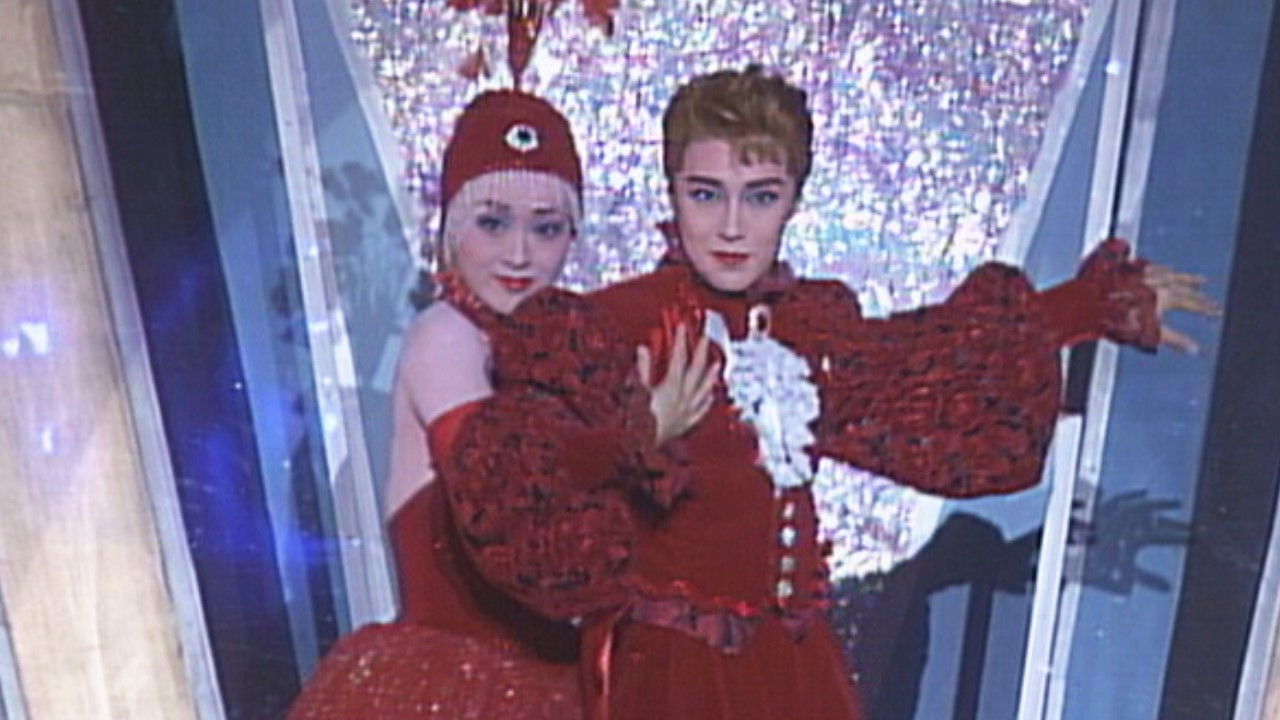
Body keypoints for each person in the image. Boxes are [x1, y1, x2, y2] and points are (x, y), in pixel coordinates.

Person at [436, 66, 1217, 720]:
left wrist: (1088, 306)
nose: (732, 226)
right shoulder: (617, 324)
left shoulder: (806, 328)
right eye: (706, 194)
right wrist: (633, 439)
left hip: (792, 673)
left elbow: (921, 363)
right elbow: (509, 482)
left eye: (760, 196)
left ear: (794, 199)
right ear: (671, 193)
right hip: (673, 680)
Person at [288, 89, 715, 719]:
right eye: (493, 223)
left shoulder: (571, 358)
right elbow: (504, 497)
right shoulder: (446, 336)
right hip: (446, 691)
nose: (519, 254)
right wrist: (638, 437)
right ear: (451, 227)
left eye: (546, 228)